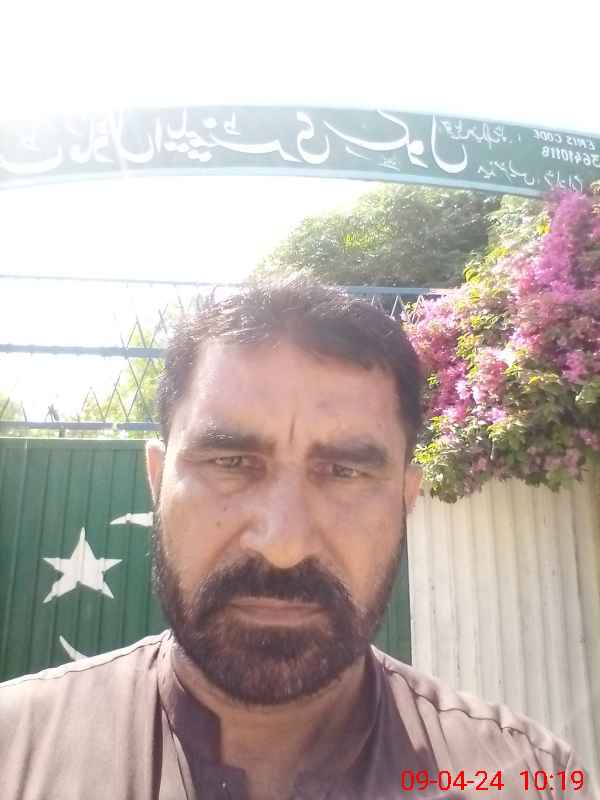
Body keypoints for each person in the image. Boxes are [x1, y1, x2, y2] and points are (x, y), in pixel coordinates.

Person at [0, 277, 593, 799]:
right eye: (231, 462)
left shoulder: (525, 777)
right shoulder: (12, 750)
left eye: (345, 472)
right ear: (158, 481)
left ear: (406, 498)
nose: (282, 544)